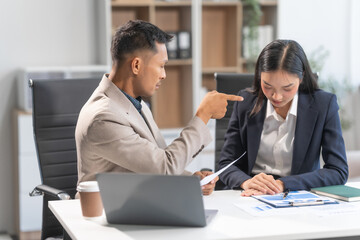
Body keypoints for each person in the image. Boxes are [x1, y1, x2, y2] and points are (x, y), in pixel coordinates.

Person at [75, 20, 243, 195]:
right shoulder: (103, 117)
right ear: (136, 65)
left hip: (139, 205)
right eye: (161, 66)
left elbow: (153, 162)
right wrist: (203, 115)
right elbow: (165, 167)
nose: (163, 75)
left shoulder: (136, 103)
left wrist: (192, 180)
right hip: (106, 215)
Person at [218, 39, 348, 196]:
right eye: (267, 86)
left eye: (287, 88)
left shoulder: (324, 105)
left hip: (297, 195)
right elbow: (226, 164)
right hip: (250, 194)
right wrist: (247, 182)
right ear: (259, 76)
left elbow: (338, 171)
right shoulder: (245, 103)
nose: (277, 96)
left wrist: (282, 184)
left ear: (301, 78)